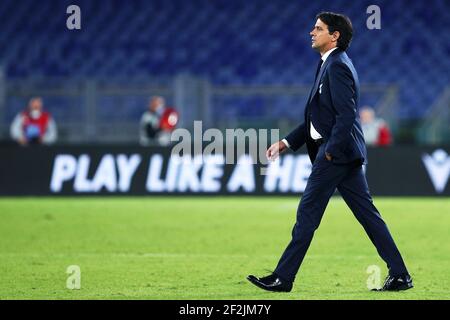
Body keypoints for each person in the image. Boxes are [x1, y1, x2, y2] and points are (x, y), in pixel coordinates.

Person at [247, 12, 412, 292]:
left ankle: (282, 278)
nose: (312, 32)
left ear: (334, 35)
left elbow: (346, 115)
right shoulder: (330, 64)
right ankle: (400, 274)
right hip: (345, 153)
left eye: (318, 28)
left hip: (336, 154)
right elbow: (318, 117)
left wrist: (329, 152)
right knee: (368, 216)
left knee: (307, 214)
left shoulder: (336, 66)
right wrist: (286, 143)